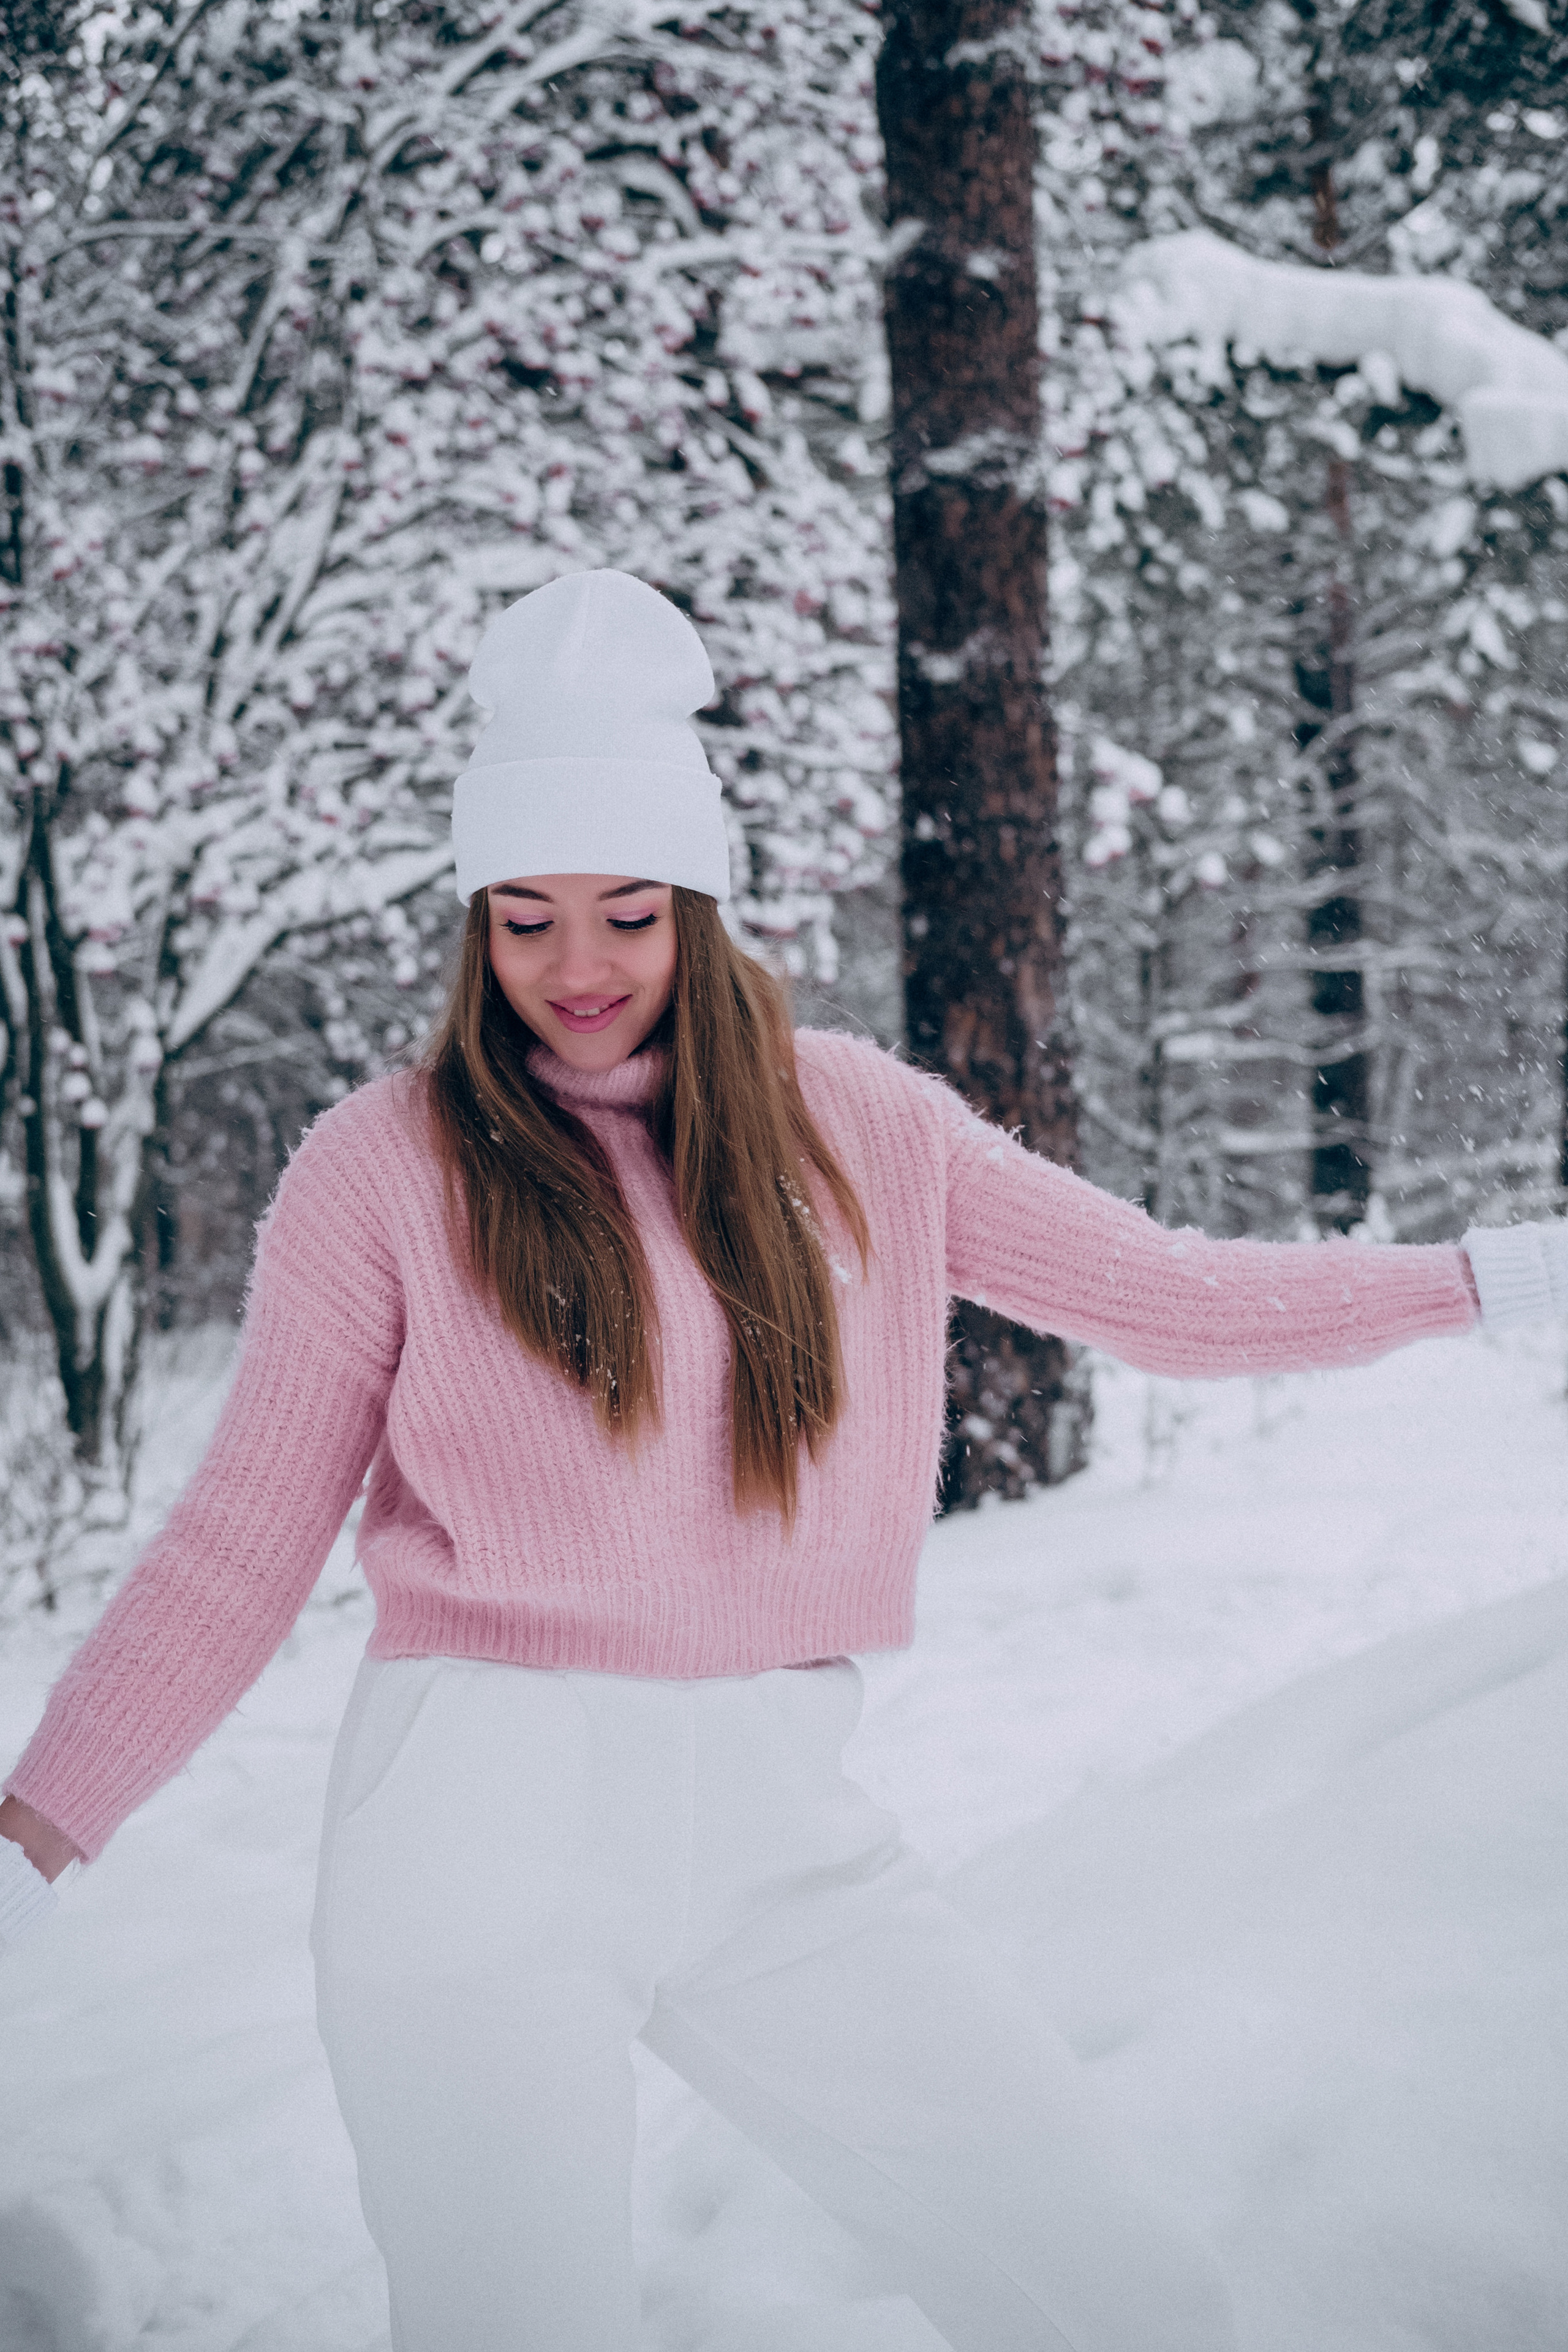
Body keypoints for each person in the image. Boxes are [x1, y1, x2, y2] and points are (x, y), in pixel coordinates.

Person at [1, 570, 1561, 2352]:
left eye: (625, 913)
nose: (574, 970)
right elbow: (238, 1545)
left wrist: (1498, 1277)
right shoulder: (386, 1168)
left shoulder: (864, 1127)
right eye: (522, 919)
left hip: (782, 1839)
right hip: (471, 1851)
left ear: (704, 904)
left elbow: (1175, 1297)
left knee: (1123, 2296)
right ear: (472, 926)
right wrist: (33, 1832)